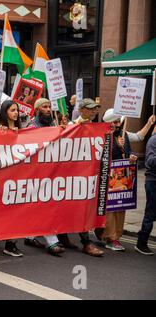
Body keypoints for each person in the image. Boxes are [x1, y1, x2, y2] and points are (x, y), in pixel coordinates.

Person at [97, 109, 156, 251]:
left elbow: (139, 137)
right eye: (115, 122)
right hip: (108, 177)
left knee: (120, 207)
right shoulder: (102, 135)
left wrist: (148, 123)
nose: (118, 124)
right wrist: (114, 144)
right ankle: (109, 237)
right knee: (110, 209)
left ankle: (115, 236)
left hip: (123, 177)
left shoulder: (124, 135)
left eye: (119, 122)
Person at [57, 98, 104, 257]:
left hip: (86, 175)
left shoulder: (97, 128)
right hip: (70, 175)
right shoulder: (71, 126)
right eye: (90, 109)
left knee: (82, 208)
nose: (93, 112)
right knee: (68, 208)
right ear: (82, 109)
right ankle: (66, 237)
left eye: (95, 109)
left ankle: (85, 241)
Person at [25, 98, 66, 256]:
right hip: (36, 173)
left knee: (44, 205)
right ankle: (52, 240)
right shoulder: (31, 127)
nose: (49, 109)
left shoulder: (54, 127)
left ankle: (30, 235)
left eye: (50, 107)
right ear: (37, 110)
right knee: (43, 205)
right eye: (45, 107)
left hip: (52, 172)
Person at [0, 100, 24, 257]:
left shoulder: (23, 131)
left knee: (16, 212)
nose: (16, 113)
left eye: (17, 110)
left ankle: (10, 244)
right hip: (3, 177)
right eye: (12, 110)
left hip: (19, 177)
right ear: (5, 112)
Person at [135, 121, 156, 255]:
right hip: (153, 181)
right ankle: (141, 243)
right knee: (151, 213)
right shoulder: (153, 140)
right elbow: (150, 161)